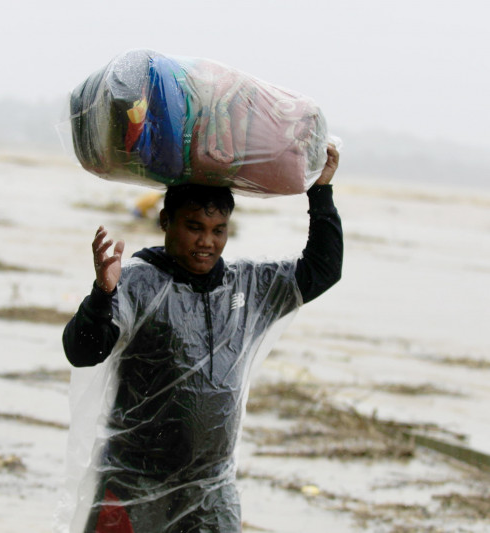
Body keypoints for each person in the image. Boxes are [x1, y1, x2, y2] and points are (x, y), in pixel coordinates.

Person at [61, 145, 342, 532]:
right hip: (133, 485)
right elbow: (82, 351)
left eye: (218, 230)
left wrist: (320, 190)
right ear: (166, 221)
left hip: (211, 491)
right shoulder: (138, 283)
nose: (206, 242)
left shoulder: (247, 287)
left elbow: (323, 269)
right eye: (194, 227)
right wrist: (101, 296)